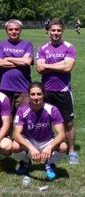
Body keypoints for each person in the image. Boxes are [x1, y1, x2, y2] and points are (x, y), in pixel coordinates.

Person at [36, 19, 78, 164]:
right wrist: (60, 64)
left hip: (63, 91)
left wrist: (48, 65)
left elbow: (67, 68)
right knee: (44, 122)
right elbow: (39, 69)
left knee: (68, 124)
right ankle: (46, 147)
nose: (56, 33)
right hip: (46, 92)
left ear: (62, 31)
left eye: (58, 30)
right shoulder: (42, 48)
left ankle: (71, 151)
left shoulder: (69, 47)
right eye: (53, 30)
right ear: (49, 31)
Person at [12, 82, 67, 180]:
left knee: (63, 146)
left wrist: (50, 147)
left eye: (39, 94)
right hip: (30, 140)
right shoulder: (22, 110)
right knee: (15, 146)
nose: (36, 97)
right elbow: (16, 134)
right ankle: (25, 162)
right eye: (33, 94)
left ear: (44, 94)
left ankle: (49, 164)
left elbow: (62, 134)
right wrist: (30, 148)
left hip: (47, 141)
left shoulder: (52, 109)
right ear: (29, 95)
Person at [0, 19, 33, 116]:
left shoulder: (27, 44)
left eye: (16, 29)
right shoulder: (1, 44)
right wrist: (20, 61)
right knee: (6, 120)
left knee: (24, 119)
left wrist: (8, 58)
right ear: (6, 31)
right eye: (10, 29)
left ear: (20, 30)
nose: (13, 31)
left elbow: (27, 61)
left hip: (23, 89)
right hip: (5, 88)